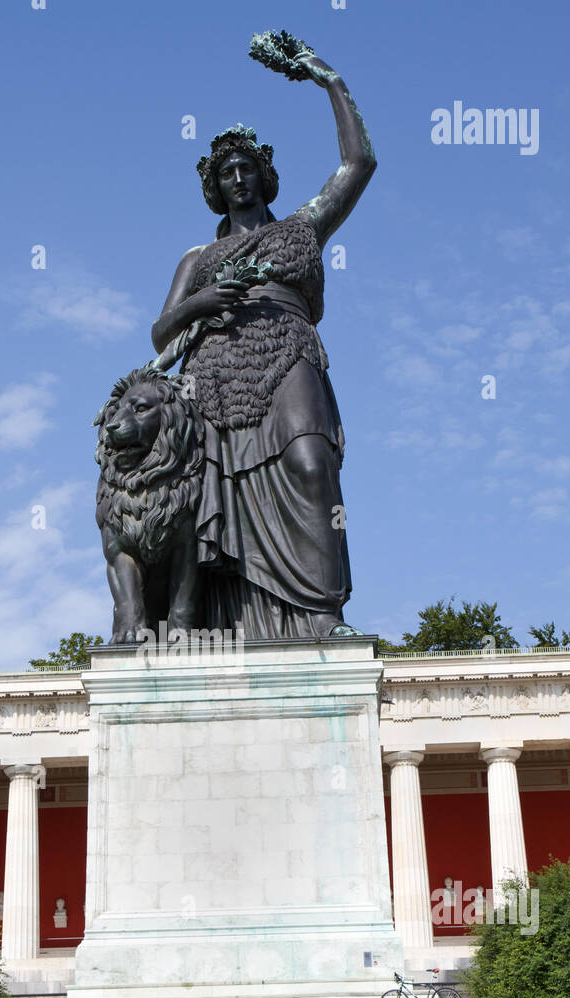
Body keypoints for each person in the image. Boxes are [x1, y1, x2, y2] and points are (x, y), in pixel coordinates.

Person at [152, 48, 377, 639]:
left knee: (311, 463)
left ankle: (323, 615)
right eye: (225, 173)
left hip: (288, 349)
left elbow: (359, 163)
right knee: (214, 496)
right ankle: (225, 623)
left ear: (263, 174)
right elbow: (162, 330)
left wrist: (330, 79)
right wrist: (204, 301)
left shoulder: (302, 227)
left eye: (246, 168)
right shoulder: (198, 258)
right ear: (215, 188)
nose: (237, 178)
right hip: (217, 373)